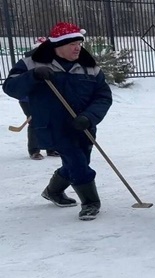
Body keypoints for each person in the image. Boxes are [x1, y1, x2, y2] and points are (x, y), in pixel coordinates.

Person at [2, 22, 112, 220]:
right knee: (77, 162)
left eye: (79, 42)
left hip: (83, 125)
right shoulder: (33, 62)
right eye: (72, 44)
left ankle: (53, 191)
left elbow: (103, 96)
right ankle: (91, 202)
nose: (78, 47)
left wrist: (89, 117)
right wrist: (33, 76)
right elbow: (11, 87)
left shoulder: (90, 67)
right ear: (58, 45)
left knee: (79, 161)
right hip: (53, 125)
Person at [18, 37, 59, 160]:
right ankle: (34, 150)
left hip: (48, 98)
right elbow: (21, 81)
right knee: (35, 122)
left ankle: (51, 148)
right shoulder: (27, 62)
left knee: (51, 121)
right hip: (28, 99)